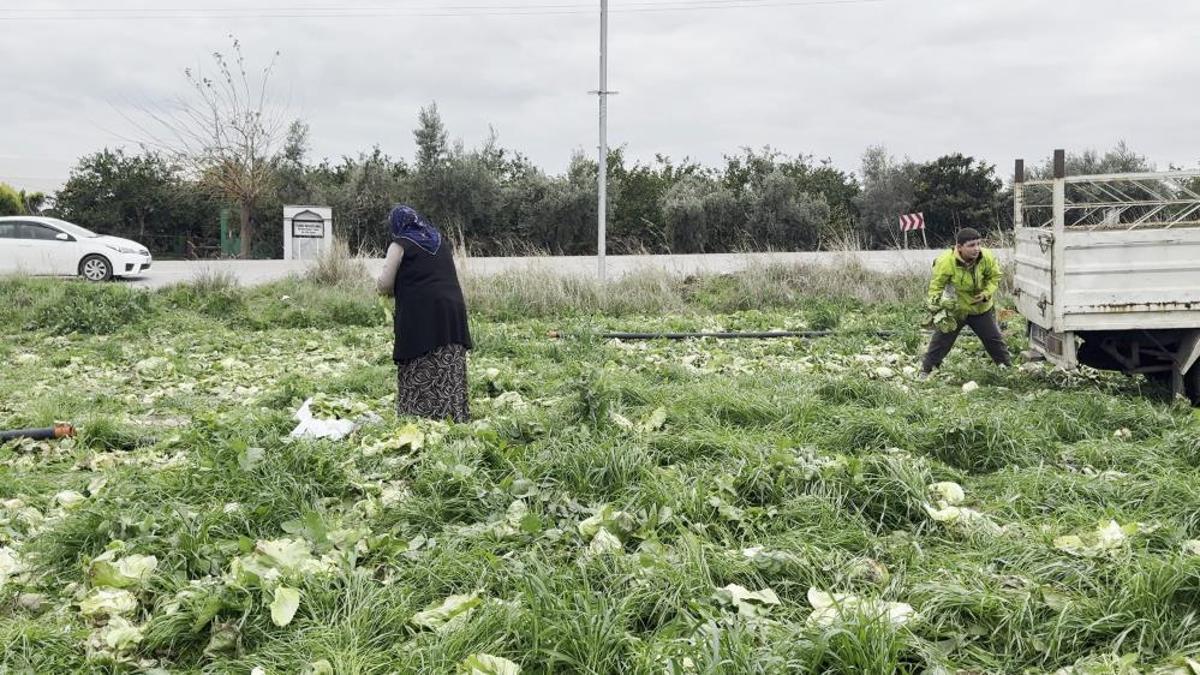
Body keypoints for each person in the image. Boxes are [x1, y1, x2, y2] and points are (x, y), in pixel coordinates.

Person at [376, 205, 472, 421]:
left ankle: (421, 417)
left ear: (397, 225)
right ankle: (452, 414)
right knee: (448, 358)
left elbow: (385, 283)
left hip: (421, 313)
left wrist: (381, 288)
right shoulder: (439, 241)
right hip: (452, 311)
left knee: (420, 358)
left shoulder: (400, 244)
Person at [918, 227, 1011, 378]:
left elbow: (995, 277)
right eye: (971, 245)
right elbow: (936, 287)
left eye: (978, 244)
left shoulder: (986, 257)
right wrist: (935, 308)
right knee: (941, 341)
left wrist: (986, 293)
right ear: (959, 247)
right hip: (956, 309)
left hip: (980, 308)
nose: (976, 249)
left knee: (993, 339)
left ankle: (1006, 368)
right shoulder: (945, 261)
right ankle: (926, 370)